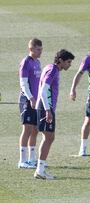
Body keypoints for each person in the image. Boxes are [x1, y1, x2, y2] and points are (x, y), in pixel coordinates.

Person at [34, 49, 75, 180]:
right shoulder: (52, 70)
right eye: (68, 62)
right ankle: (40, 170)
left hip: (46, 107)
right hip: (46, 107)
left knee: (49, 137)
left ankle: (41, 169)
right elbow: (44, 91)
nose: (70, 64)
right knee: (48, 137)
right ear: (61, 61)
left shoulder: (50, 68)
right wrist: (47, 110)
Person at [18, 38, 42, 169]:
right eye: (38, 49)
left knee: (35, 130)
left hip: (36, 100)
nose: (40, 52)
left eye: (41, 49)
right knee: (27, 129)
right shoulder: (26, 63)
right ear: (31, 49)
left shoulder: (37, 62)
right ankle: (22, 160)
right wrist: (31, 98)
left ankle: (32, 159)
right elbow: (23, 83)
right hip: (27, 100)